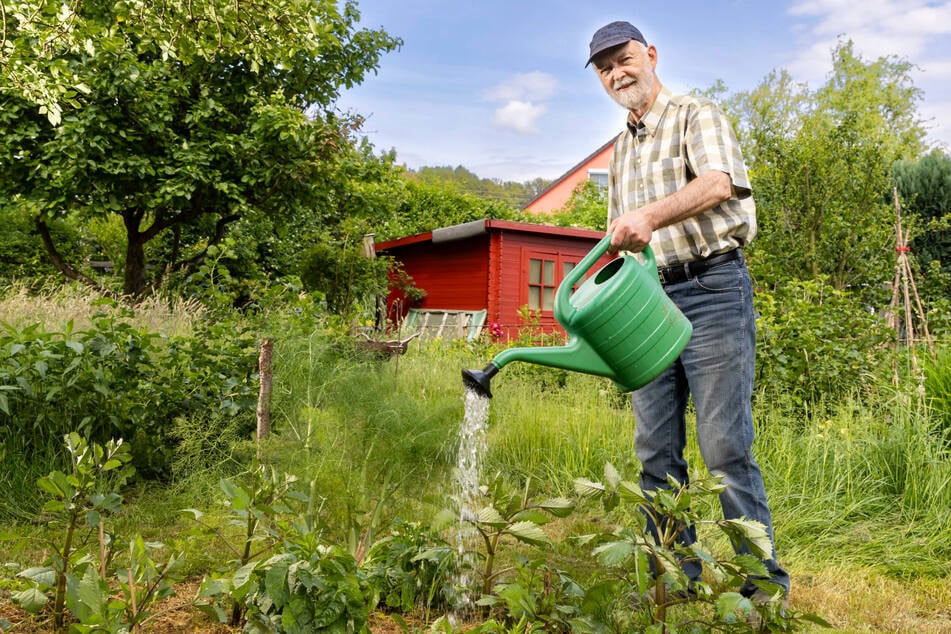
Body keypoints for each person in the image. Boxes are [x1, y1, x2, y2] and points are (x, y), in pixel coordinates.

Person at [585, 21, 791, 605]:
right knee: (655, 449)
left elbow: (719, 184)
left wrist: (649, 216)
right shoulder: (621, 147)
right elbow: (620, 235)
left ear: (650, 55)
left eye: (624, 60)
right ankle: (675, 580)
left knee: (725, 448)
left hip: (713, 288)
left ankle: (762, 590)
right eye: (605, 69)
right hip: (648, 301)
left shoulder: (695, 115)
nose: (617, 73)